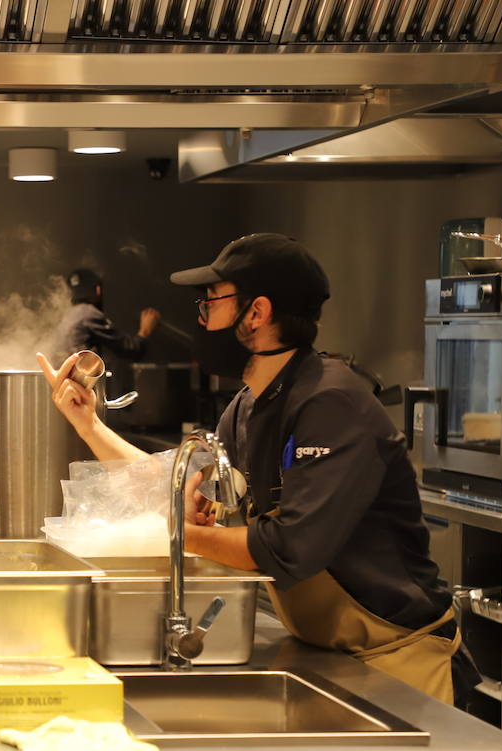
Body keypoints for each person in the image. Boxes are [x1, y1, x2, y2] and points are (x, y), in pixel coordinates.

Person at [38, 233, 474, 705]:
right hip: (336, 655)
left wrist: (177, 535)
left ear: (257, 313)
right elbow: (174, 481)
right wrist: (87, 424)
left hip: (399, 662)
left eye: (211, 302)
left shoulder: (331, 403)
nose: (201, 316)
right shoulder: (249, 405)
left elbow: (289, 547)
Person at [51, 267, 161, 364]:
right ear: (98, 290)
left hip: (64, 380)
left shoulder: (68, 315)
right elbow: (128, 350)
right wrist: (144, 331)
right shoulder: (89, 314)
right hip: (80, 381)